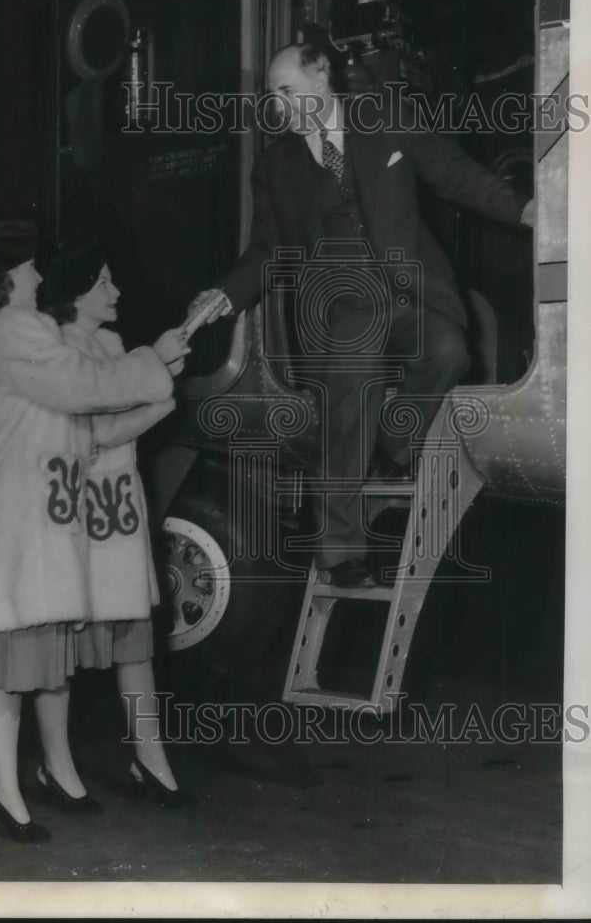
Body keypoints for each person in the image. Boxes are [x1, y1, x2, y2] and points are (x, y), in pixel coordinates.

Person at [190, 43, 533, 590]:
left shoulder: (385, 119)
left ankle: (392, 448)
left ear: (321, 74)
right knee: (351, 392)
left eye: (286, 89)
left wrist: (525, 209)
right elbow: (266, 249)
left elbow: (456, 175)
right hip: (342, 307)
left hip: (410, 296)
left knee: (449, 352)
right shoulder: (275, 164)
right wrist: (225, 295)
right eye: (271, 95)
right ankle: (340, 552)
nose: (277, 105)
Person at [0, 219, 189, 845]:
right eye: (32, 268)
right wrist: (155, 363)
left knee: (12, 654)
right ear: (7, 277)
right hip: (11, 520)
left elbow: (75, 419)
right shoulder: (12, 329)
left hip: (29, 519)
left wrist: (146, 389)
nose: (42, 277)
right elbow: (84, 386)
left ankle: (1, 787)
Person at [38, 243, 196, 809]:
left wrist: (157, 375)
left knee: (134, 638)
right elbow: (95, 431)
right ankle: (55, 765)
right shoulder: (56, 347)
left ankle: (150, 756)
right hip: (75, 510)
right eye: (103, 282)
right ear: (74, 292)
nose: (116, 292)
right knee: (61, 640)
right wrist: (159, 395)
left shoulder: (109, 344)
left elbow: (120, 410)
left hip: (118, 509)